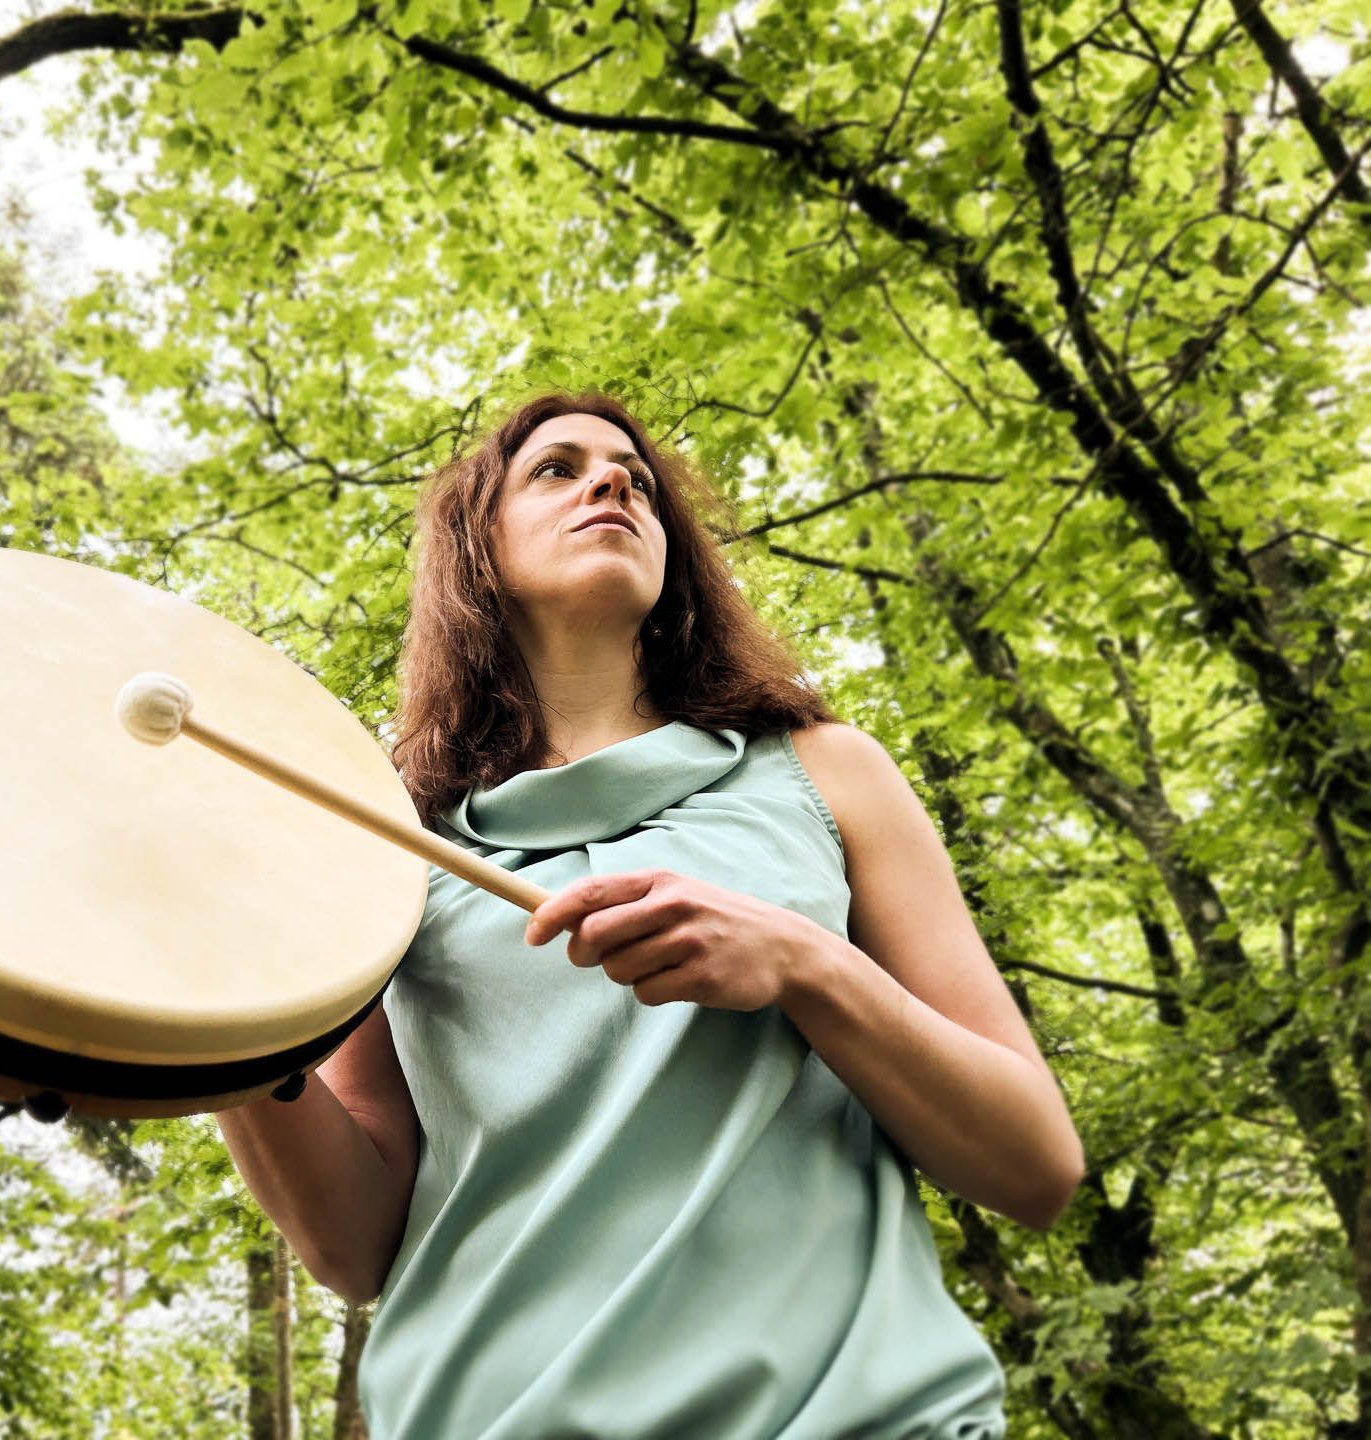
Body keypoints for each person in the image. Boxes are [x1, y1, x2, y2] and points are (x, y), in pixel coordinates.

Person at [216, 390, 1083, 1438]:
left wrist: (809, 967)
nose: (612, 481)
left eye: (634, 476)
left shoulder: (825, 772)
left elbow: (1036, 1167)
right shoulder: (391, 836)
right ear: (475, 549)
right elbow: (353, 1246)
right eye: (556, 469)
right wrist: (230, 1016)